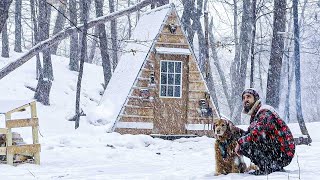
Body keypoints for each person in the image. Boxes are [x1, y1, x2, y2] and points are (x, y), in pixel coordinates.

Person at [235, 88, 296, 175]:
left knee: (246, 143)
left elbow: (258, 133)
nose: (245, 100)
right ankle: (266, 166)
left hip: (282, 154)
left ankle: (268, 167)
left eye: (248, 97)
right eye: (243, 98)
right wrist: (234, 130)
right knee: (243, 140)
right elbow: (248, 133)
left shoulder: (265, 112)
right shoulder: (256, 115)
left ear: (256, 99)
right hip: (276, 151)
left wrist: (240, 142)